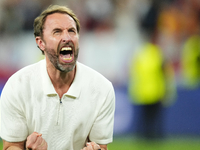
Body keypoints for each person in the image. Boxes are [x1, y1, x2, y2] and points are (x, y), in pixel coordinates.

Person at [0, 5, 115, 150]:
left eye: (72, 31)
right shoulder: (17, 86)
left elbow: (100, 146)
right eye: (57, 32)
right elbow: (11, 146)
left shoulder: (102, 88)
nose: (67, 38)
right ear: (41, 43)